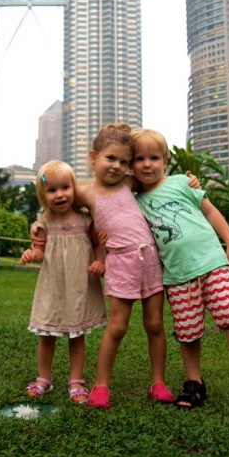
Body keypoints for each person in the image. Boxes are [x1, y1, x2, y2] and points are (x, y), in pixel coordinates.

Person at [131, 127, 229, 417]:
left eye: (153, 157)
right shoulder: (135, 203)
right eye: (138, 159)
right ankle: (194, 381)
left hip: (212, 263)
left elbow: (211, 212)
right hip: (176, 275)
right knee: (188, 332)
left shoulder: (181, 183)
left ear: (164, 159)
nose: (147, 164)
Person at [72, 123, 176, 409]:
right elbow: (53, 199)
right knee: (118, 326)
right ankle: (101, 384)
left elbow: (159, 179)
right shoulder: (84, 193)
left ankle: (158, 382)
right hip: (120, 262)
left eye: (123, 161)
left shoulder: (129, 183)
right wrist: (39, 227)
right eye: (110, 158)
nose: (117, 166)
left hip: (150, 260)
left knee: (155, 324)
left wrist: (189, 180)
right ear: (93, 156)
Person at [20, 159, 107, 404]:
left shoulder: (85, 220)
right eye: (52, 190)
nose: (59, 195)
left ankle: (76, 380)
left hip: (79, 286)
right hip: (52, 286)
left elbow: (99, 243)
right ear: (42, 195)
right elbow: (39, 251)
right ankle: (43, 378)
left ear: (74, 188)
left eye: (65, 188)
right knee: (46, 334)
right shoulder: (43, 224)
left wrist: (100, 261)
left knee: (76, 334)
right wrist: (31, 254)